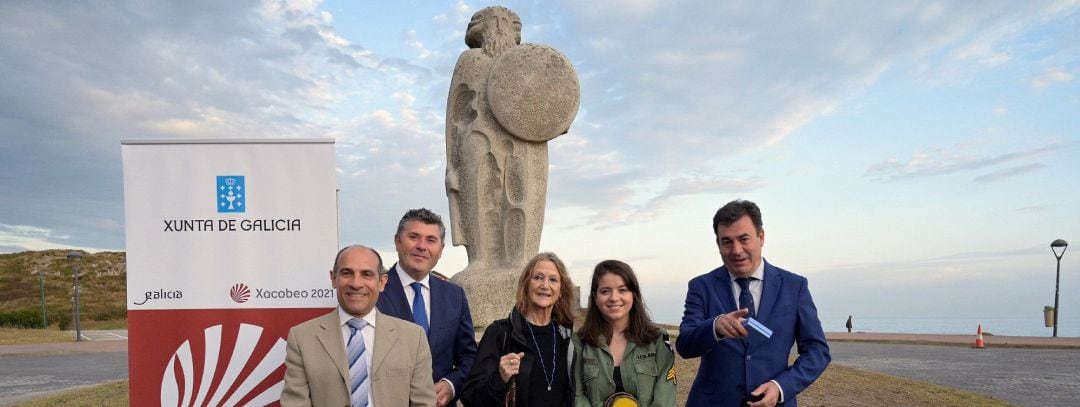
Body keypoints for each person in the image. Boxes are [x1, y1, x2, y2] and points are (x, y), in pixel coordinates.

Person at [676, 200, 830, 407]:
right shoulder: (701, 287)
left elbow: (817, 351)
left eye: (744, 239)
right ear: (718, 244)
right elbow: (685, 345)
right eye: (727, 241)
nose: (736, 250)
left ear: (761, 237)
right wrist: (715, 327)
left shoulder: (794, 287)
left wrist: (781, 387)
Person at [281, 245, 436, 407]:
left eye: (367, 274)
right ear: (333, 279)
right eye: (347, 273)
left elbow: (423, 402)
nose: (356, 283)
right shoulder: (302, 338)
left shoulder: (413, 337)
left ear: (382, 282)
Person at [377, 208, 477, 407]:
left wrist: (451, 384)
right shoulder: (374, 292)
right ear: (397, 241)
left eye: (431, 240)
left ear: (441, 249)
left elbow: (469, 356)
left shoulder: (454, 295)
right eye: (413, 237)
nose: (422, 246)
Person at [461, 252, 576, 406]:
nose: (545, 285)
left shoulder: (568, 339)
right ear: (526, 285)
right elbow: (470, 397)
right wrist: (499, 378)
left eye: (553, 280)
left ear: (561, 291)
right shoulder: (499, 333)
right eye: (538, 277)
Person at [573, 260, 677, 407]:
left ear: (633, 294)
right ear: (595, 297)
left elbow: (665, 397)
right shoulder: (580, 342)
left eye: (622, 290)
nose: (614, 298)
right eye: (605, 291)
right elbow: (577, 395)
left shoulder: (658, 339)